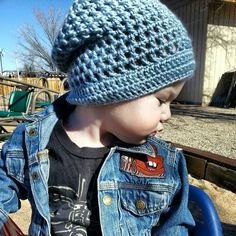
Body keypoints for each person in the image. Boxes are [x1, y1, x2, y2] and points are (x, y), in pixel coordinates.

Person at [0, 0, 196, 235]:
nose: (168, 115)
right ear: (113, 87)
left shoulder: (161, 162)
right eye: (162, 100)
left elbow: (174, 226)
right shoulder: (33, 141)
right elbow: (5, 181)